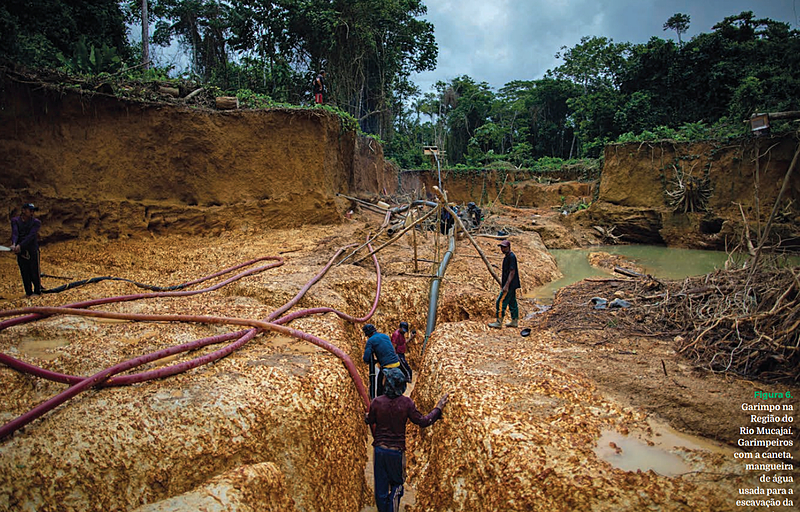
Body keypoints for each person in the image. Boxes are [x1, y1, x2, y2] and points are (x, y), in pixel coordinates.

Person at [365, 367, 448, 512]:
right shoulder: (406, 403)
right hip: (396, 452)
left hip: (379, 450)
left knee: (381, 488)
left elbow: (370, 420)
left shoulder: (377, 402)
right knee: (397, 484)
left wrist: (367, 416)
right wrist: (438, 409)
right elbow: (423, 421)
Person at [10, 203, 43, 297]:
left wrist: (20, 245)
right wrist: (14, 244)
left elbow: (31, 236)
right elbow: (15, 233)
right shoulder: (15, 221)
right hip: (20, 250)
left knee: (34, 270)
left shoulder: (36, 222)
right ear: (23, 210)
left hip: (32, 248)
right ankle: (28, 292)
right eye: (30, 210)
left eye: (33, 211)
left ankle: (37, 291)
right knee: (24, 271)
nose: (32, 213)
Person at [362, 323, 401, 399]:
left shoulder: (370, 341)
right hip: (397, 364)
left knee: (380, 387)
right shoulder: (385, 336)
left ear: (368, 334)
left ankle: (379, 402)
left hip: (387, 367)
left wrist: (370, 360)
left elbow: (366, 358)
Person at [488, 240, 521, 328]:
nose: (502, 249)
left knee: (500, 301)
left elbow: (512, 272)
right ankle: (514, 321)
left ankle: (499, 322)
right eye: (501, 247)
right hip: (512, 284)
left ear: (509, 247)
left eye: (504, 247)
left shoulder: (511, 257)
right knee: (512, 302)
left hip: (510, 285)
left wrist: (506, 285)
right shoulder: (507, 256)